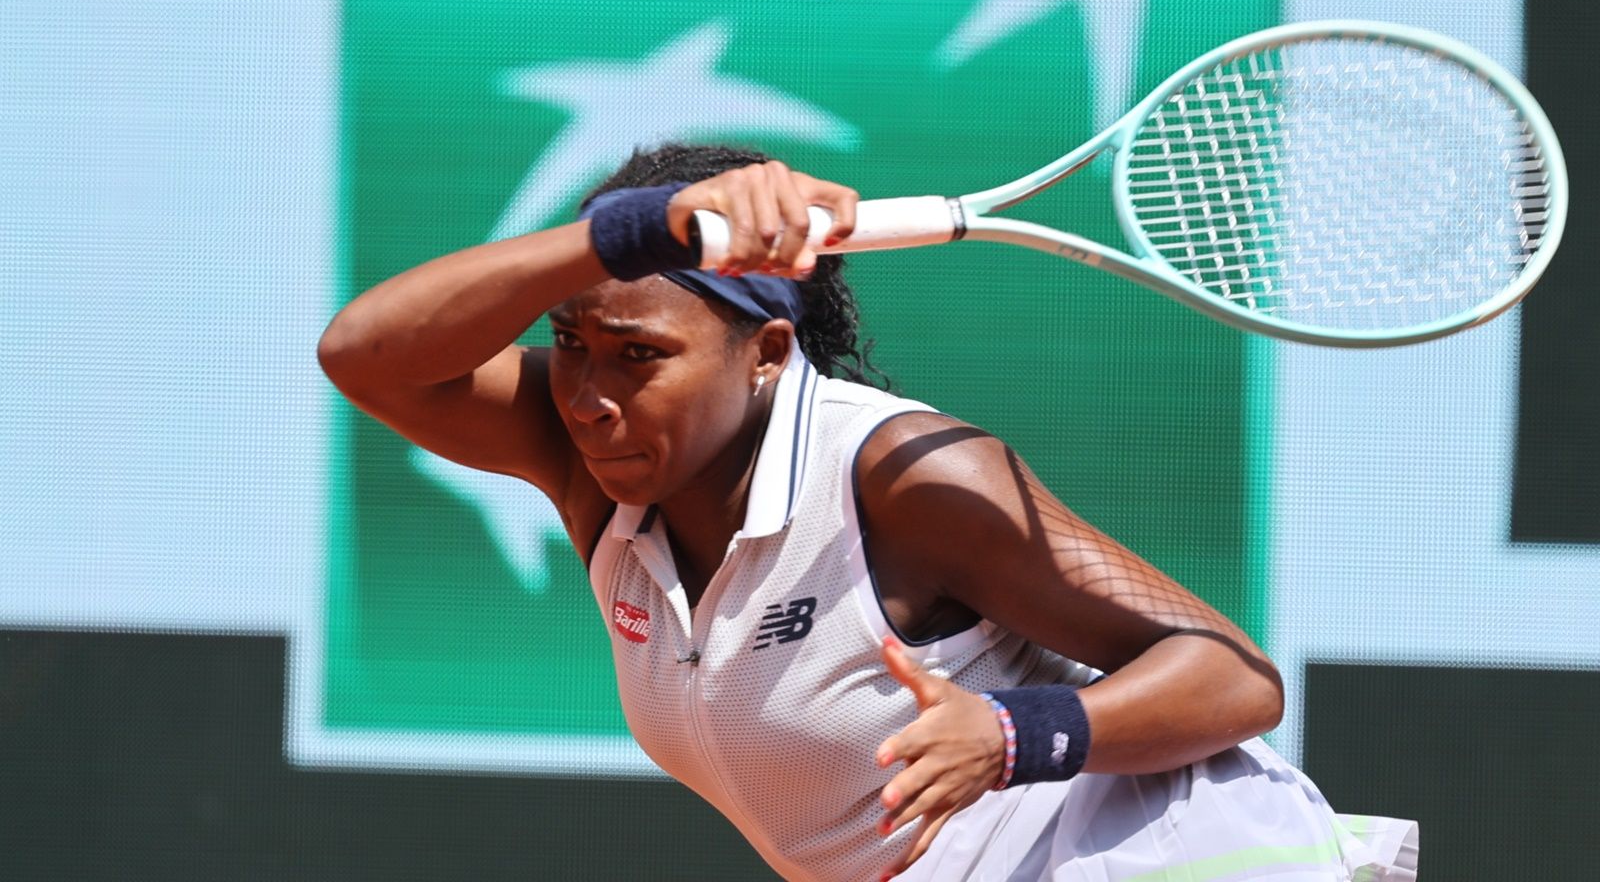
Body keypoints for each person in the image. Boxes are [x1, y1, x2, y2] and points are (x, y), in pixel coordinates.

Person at [318, 143, 1419, 882]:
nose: (593, 393)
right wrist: (628, 233)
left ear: (767, 351)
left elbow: (1233, 674)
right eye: (571, 343)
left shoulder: (907, 473)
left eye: (640, 355)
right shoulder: (589, 449)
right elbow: (361, 354)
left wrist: (1009, 735)